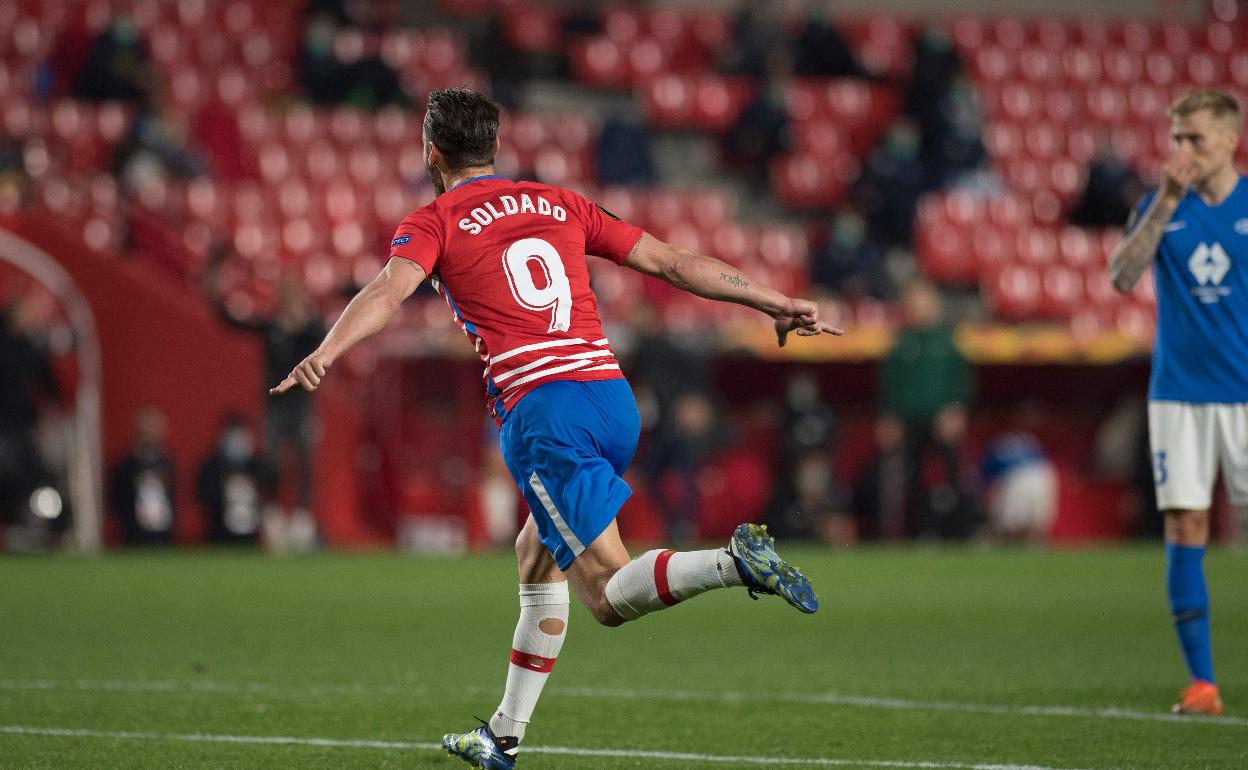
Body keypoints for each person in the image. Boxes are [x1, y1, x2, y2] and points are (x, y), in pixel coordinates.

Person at [271, 87, 841, 769]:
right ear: (496, 150)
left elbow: (388, 292)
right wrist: (773, 300)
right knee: (536, 554)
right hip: (610, 397)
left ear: (431, 153)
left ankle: (732, 561)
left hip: (544, 411)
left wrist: (326, 352)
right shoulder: (558, 202)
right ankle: (503, 737)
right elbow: (671, 262)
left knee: (604, 593)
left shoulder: (434, 220)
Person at [1108, 89, 1248, 718]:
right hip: (1179, 396)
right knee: (1185, 525)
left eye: (1193, 138)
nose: (1181, 151)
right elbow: (1120, 275)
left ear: (1228, 139)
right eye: (1176, 138)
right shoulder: (1163, 205)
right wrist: (1164, 202)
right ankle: (1202, 684)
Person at [878, 279, 975, 538]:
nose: (919, 309)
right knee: (909, 480)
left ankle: (962, 531)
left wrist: (955, 412)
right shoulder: (901, 344)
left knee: (954, 478)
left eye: (924, 304)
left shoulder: (947, 342)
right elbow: (889, 385)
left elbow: (961, 383)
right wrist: (890, 418)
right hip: (909, 422)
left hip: (941, 420)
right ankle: (913, 533)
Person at [195, 413, 274, 546]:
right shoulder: (212, 467)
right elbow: (203, 496)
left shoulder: (257, 467)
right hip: (219, 537)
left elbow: (269, 494)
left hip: (252, 538)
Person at [109, 405, 176, 546]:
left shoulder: (168, 464)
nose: (149, 434)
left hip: (163, 537)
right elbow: (116, 499)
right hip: (134, 537)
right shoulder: (124, 465)